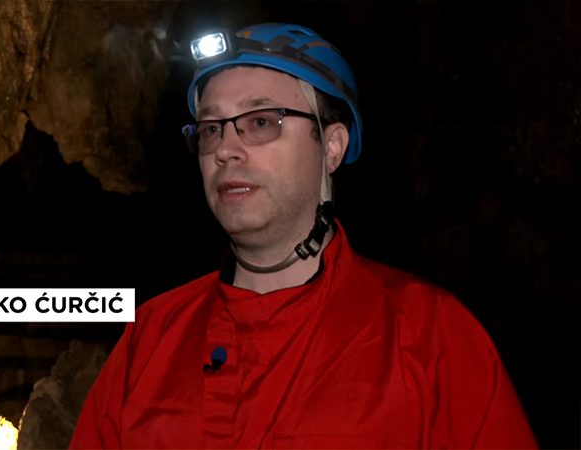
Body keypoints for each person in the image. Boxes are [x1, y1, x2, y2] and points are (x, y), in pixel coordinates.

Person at [69, 23, 538, 449]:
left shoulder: (430, 336)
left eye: (260, 122)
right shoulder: (151, 337)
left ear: (331, 147)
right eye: (211, 129)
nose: (225, 149)